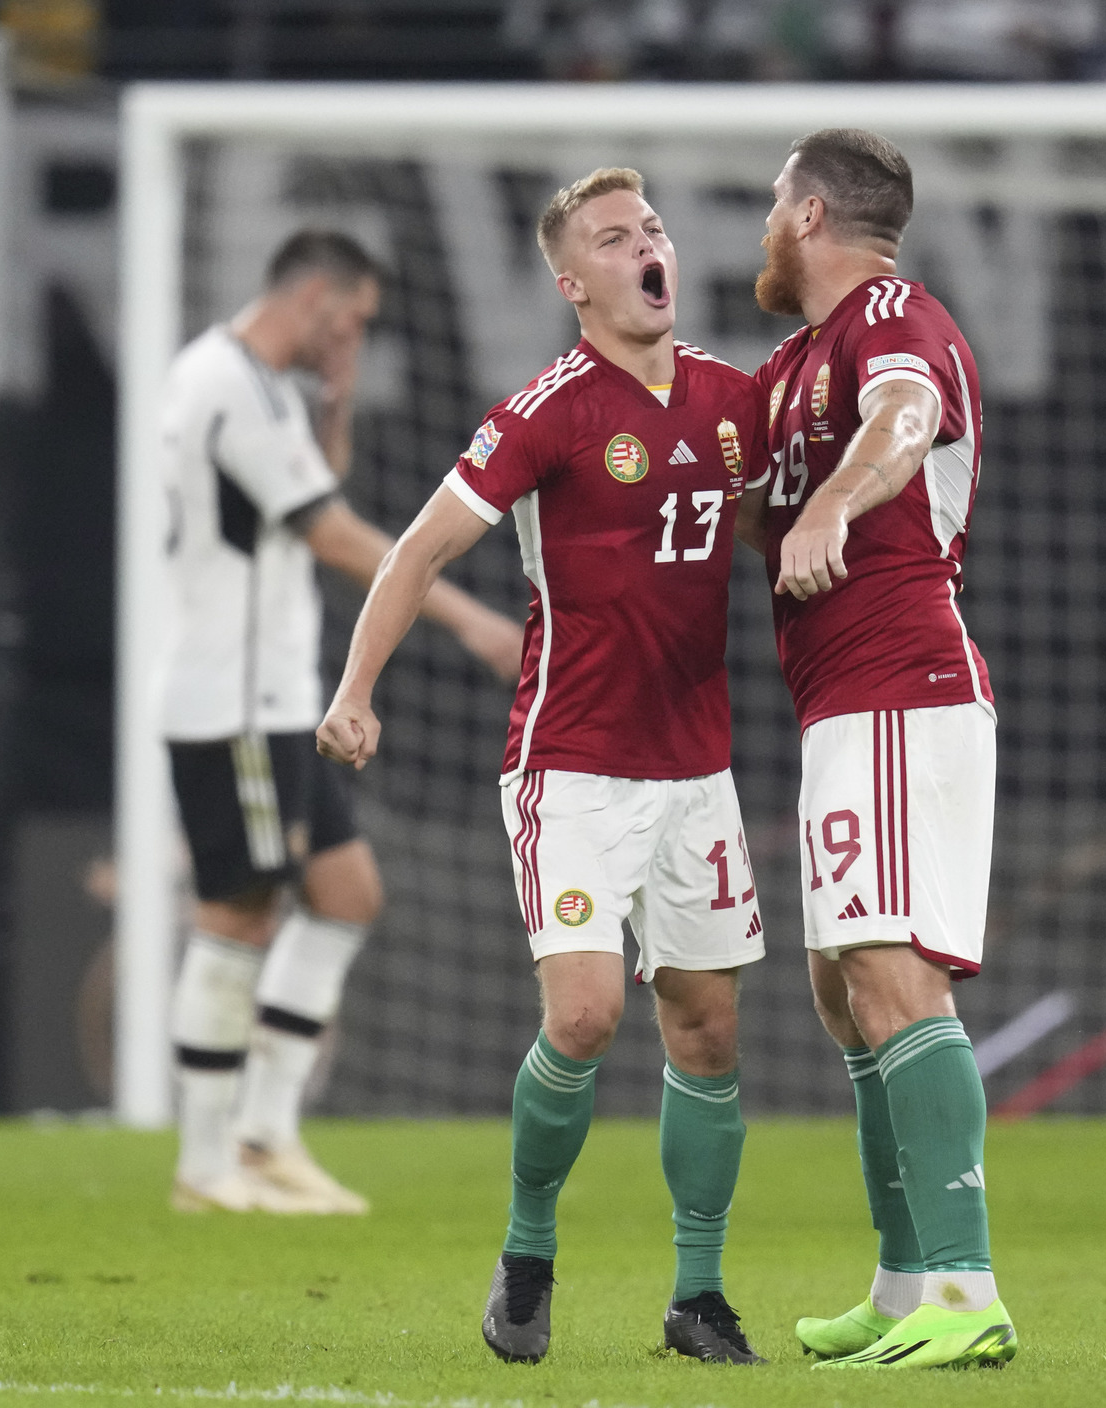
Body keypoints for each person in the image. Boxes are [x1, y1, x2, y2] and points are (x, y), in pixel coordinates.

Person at [315, 169, 770, 1364]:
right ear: (573, 284)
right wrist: (355, 689)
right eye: (615, 240)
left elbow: (781, 527)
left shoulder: (734, 400)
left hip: (697, 768)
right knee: (582, 1013)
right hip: (568, 764)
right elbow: (417, 549)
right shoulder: (546, 412)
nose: (646, 248)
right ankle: (526, 1256)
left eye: (653, 229)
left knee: (708, 1030)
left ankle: (699, 1295)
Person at [160, 229, 524, 1216]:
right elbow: (327, 529)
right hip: (228, 697)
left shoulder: (269, 381)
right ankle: (205, 1162)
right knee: (238, 910)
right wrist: (471, 618)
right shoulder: (221, 379)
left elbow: (318, 478)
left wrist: (341, 383)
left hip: (276, 696)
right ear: (315, 294)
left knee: (348, 893)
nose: (353, 333)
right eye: (352, 318)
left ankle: (267, 1136)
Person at [738, 127, 1014, 1372]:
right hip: (838, 701)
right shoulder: (793, 362)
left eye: (767, 204)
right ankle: (904, 1281)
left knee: (891, 970)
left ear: (806, 215)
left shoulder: (894, 316)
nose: (758, 225)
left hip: (904, 684)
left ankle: (966, 1290)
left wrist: (834, 504)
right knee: (844, 993)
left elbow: (905, 416)